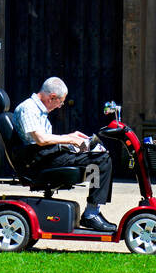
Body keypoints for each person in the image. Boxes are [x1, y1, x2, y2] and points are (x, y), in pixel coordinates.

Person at [14, 76, 115, 232]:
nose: (60, 106)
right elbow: (40, 139)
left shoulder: (37, 110)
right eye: (60, 102)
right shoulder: (29, 108)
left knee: (97, 156)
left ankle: (92, 210)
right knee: (101, 160)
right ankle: (91, 214)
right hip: (38, 161)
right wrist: (69, 139)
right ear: (52, 97)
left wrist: (72, 137)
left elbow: (46, 140)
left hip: (44, 156)